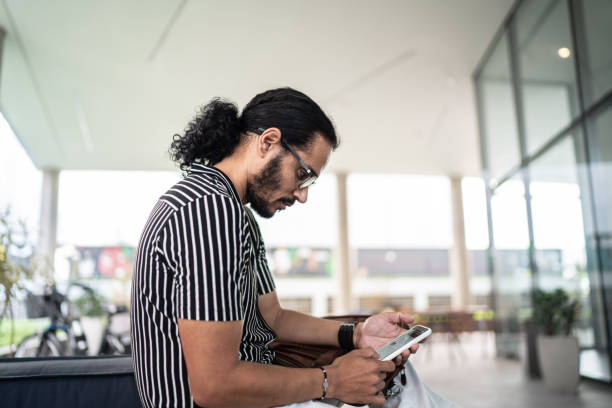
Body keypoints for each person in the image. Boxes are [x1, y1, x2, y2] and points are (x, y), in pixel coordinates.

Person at [131, 87, 459, 408]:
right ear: (268, 142)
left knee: (391, 376)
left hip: (256, 387)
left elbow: (271, 317)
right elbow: (215, 386)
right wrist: (332, 380)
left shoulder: (234, 214)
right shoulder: (210, 212)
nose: (302, 195)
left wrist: (356, 334)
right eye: (302, 175)